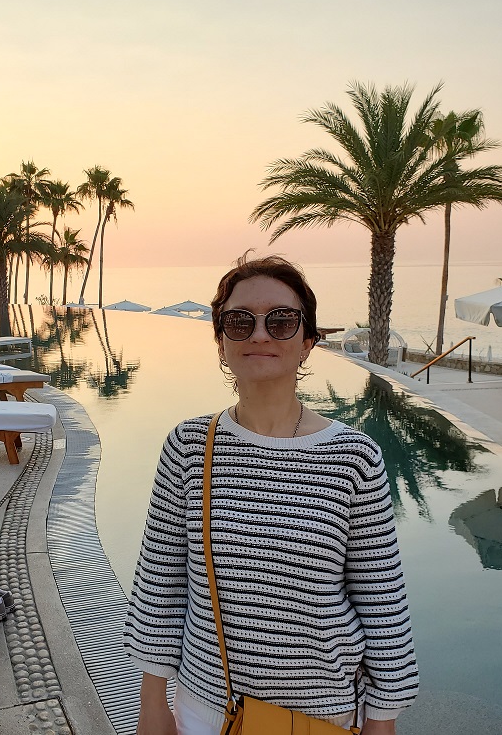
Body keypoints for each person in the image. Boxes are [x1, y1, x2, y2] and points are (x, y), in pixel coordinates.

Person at [124, 254, 419, 735]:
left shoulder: (353, 456)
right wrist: (151, 703)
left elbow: (381, 599)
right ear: (221, 342)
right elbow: (160, 584)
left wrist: (383, 720)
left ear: (308, 343)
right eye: (240, 321)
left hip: (321, 714)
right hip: (208, 709)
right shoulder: (190, 446)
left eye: (281, 321)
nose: (260, 334)